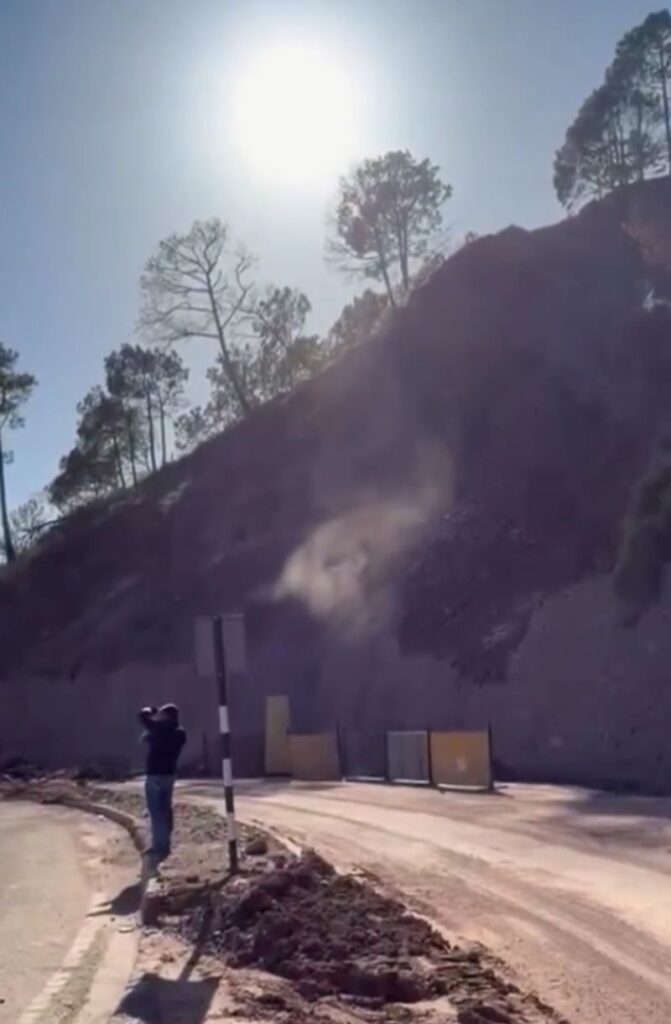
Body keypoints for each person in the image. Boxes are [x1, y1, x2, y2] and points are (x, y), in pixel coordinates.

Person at [139, 704, 186, 863]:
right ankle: (165, 845)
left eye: (162, 714)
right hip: (169, 775)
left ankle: (159, 847)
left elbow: (143, 716)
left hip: (154, 776)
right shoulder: (180, 733)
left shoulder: (158, 729)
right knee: (165, 811)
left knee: (156, 813)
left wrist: (151, 710)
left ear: (166, 716)